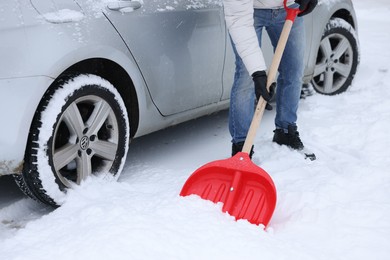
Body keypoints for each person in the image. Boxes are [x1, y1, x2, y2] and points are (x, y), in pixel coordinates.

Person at [224, 0, 318, 160]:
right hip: (248, 12)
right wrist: (258, 73)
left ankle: (285, 131)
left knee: (293, 70)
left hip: (289, 7)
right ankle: (242, 147)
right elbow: (238, 19)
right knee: (246, 76)